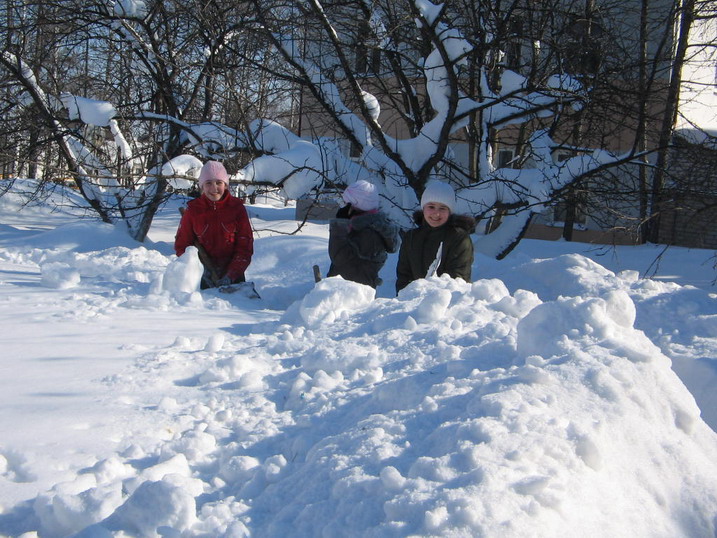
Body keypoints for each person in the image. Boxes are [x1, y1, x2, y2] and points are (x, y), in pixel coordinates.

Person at [175, 160, 253, 289]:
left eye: (219, 182)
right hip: (202, 278)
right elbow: (182, 246)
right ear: (202, 186)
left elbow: (245, 246)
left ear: (226, 185)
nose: (214, 188)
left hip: (234, 277)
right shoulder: (193, 210)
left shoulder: (236, 208)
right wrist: (199, 270)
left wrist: (231, 275)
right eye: (208, 183)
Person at [396, 180, 475, 294]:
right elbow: (404, 275)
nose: (436, 213)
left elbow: (458, 278)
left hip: (446, 302)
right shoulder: (412, 237)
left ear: (449, 211)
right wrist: (405, 298)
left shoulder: (459, 238)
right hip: (412, 303)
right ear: (423, 208)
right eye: (431, 207)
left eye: (442, 208)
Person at [327, 179, 399, 288]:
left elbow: (339, 258)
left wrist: (339, 225)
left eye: (347, 203)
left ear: (356, 205)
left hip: (352, 294)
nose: (344, 206)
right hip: (344, 289)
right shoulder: (359, 226)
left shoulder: (368, 232)